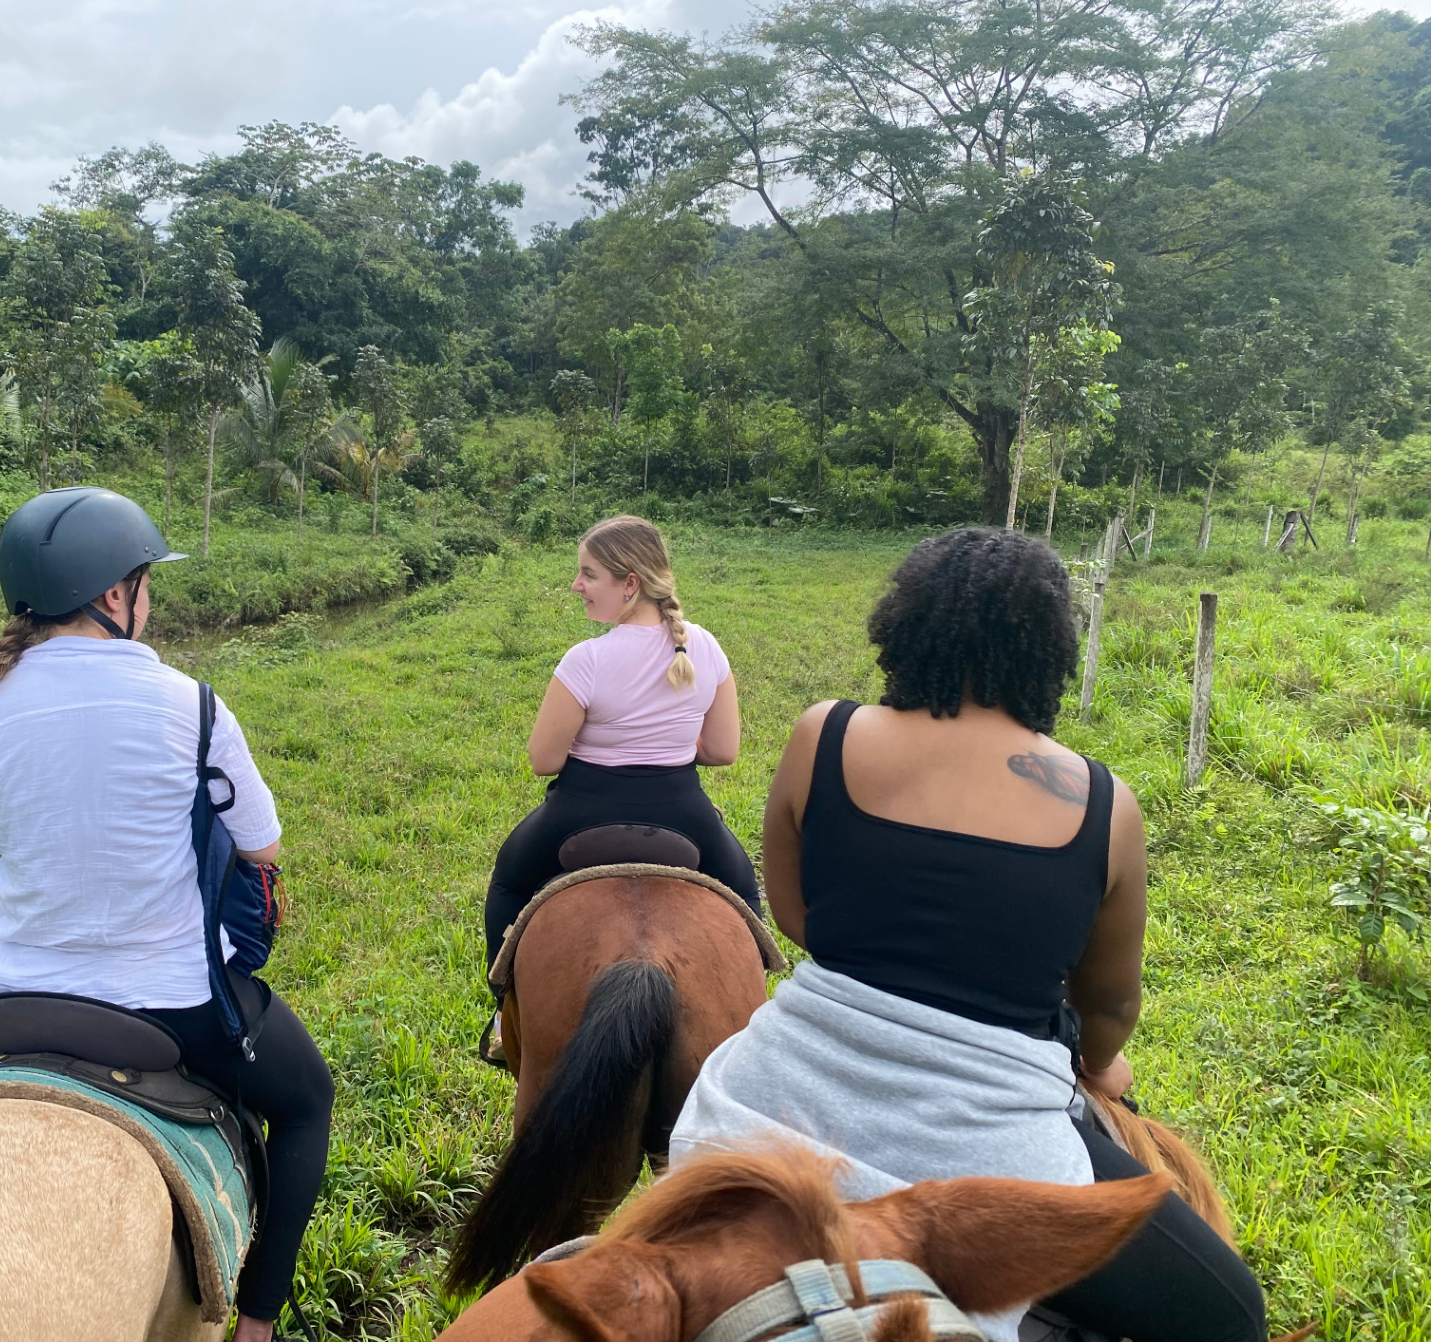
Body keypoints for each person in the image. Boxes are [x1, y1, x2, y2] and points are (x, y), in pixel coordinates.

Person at [670, 527, 1264, 1342]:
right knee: (1230, 1314)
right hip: (998, 1154)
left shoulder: (824, 734)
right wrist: (1094, 1052)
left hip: (763, 1101)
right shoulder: (1104, 805)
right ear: (1052, 648)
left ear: (907, 622)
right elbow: (1111, 1004)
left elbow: (798, 915)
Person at [0, 487, 333, 1342]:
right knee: (306, 1103)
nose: (149, 600)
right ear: (116, 596)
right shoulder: (194, 709)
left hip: (2, 996)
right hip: (172, 1002)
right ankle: (258, 1321)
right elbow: (261, 851)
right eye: (146, 584)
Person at [483, 515, 760, 1053]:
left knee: (509, 886)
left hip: (580, 811)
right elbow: (723, 750)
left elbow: (543, 759)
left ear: (629, 583)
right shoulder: (704, 648)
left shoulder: (585, 660)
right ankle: (748, 1016)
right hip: (684, 812)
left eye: (588, 574)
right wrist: (666, 745)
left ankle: (503, 1016)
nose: (576, 585)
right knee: (746, 896)